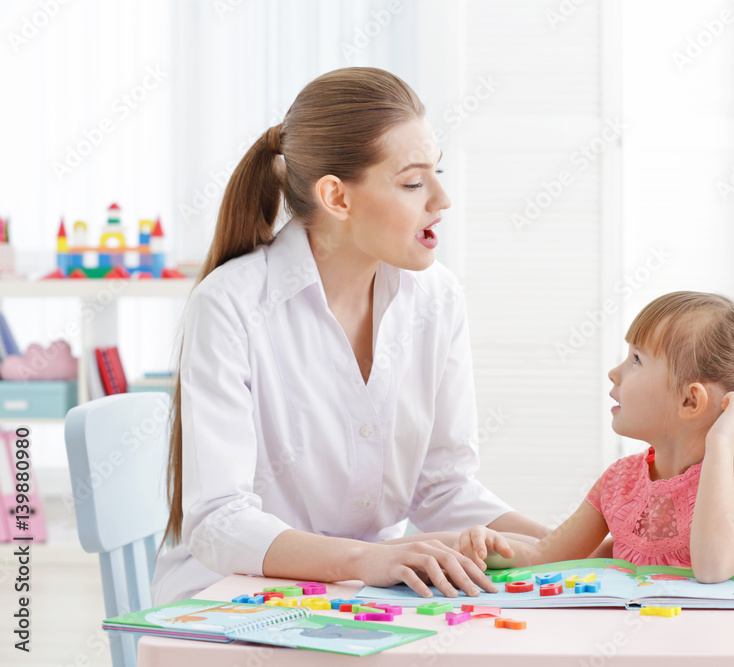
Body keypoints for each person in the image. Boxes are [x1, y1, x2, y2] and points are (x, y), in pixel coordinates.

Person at [150, 67, 548, 605]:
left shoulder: (438, 297)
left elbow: (444, 488)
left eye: (437, 173)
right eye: (413, 182)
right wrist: (370, 560)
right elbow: (219, 521)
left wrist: (572, 546)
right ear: (337, 197)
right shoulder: (230, 304)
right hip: (231, 598)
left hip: (368, 597)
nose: (442, 198)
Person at [455, 291, 734, 583]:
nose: (615, 372)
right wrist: (492, 548)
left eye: (637, 360)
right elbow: (545, 556)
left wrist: (720, 446)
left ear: (690, 400)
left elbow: (713, 568)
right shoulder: (619, 481)